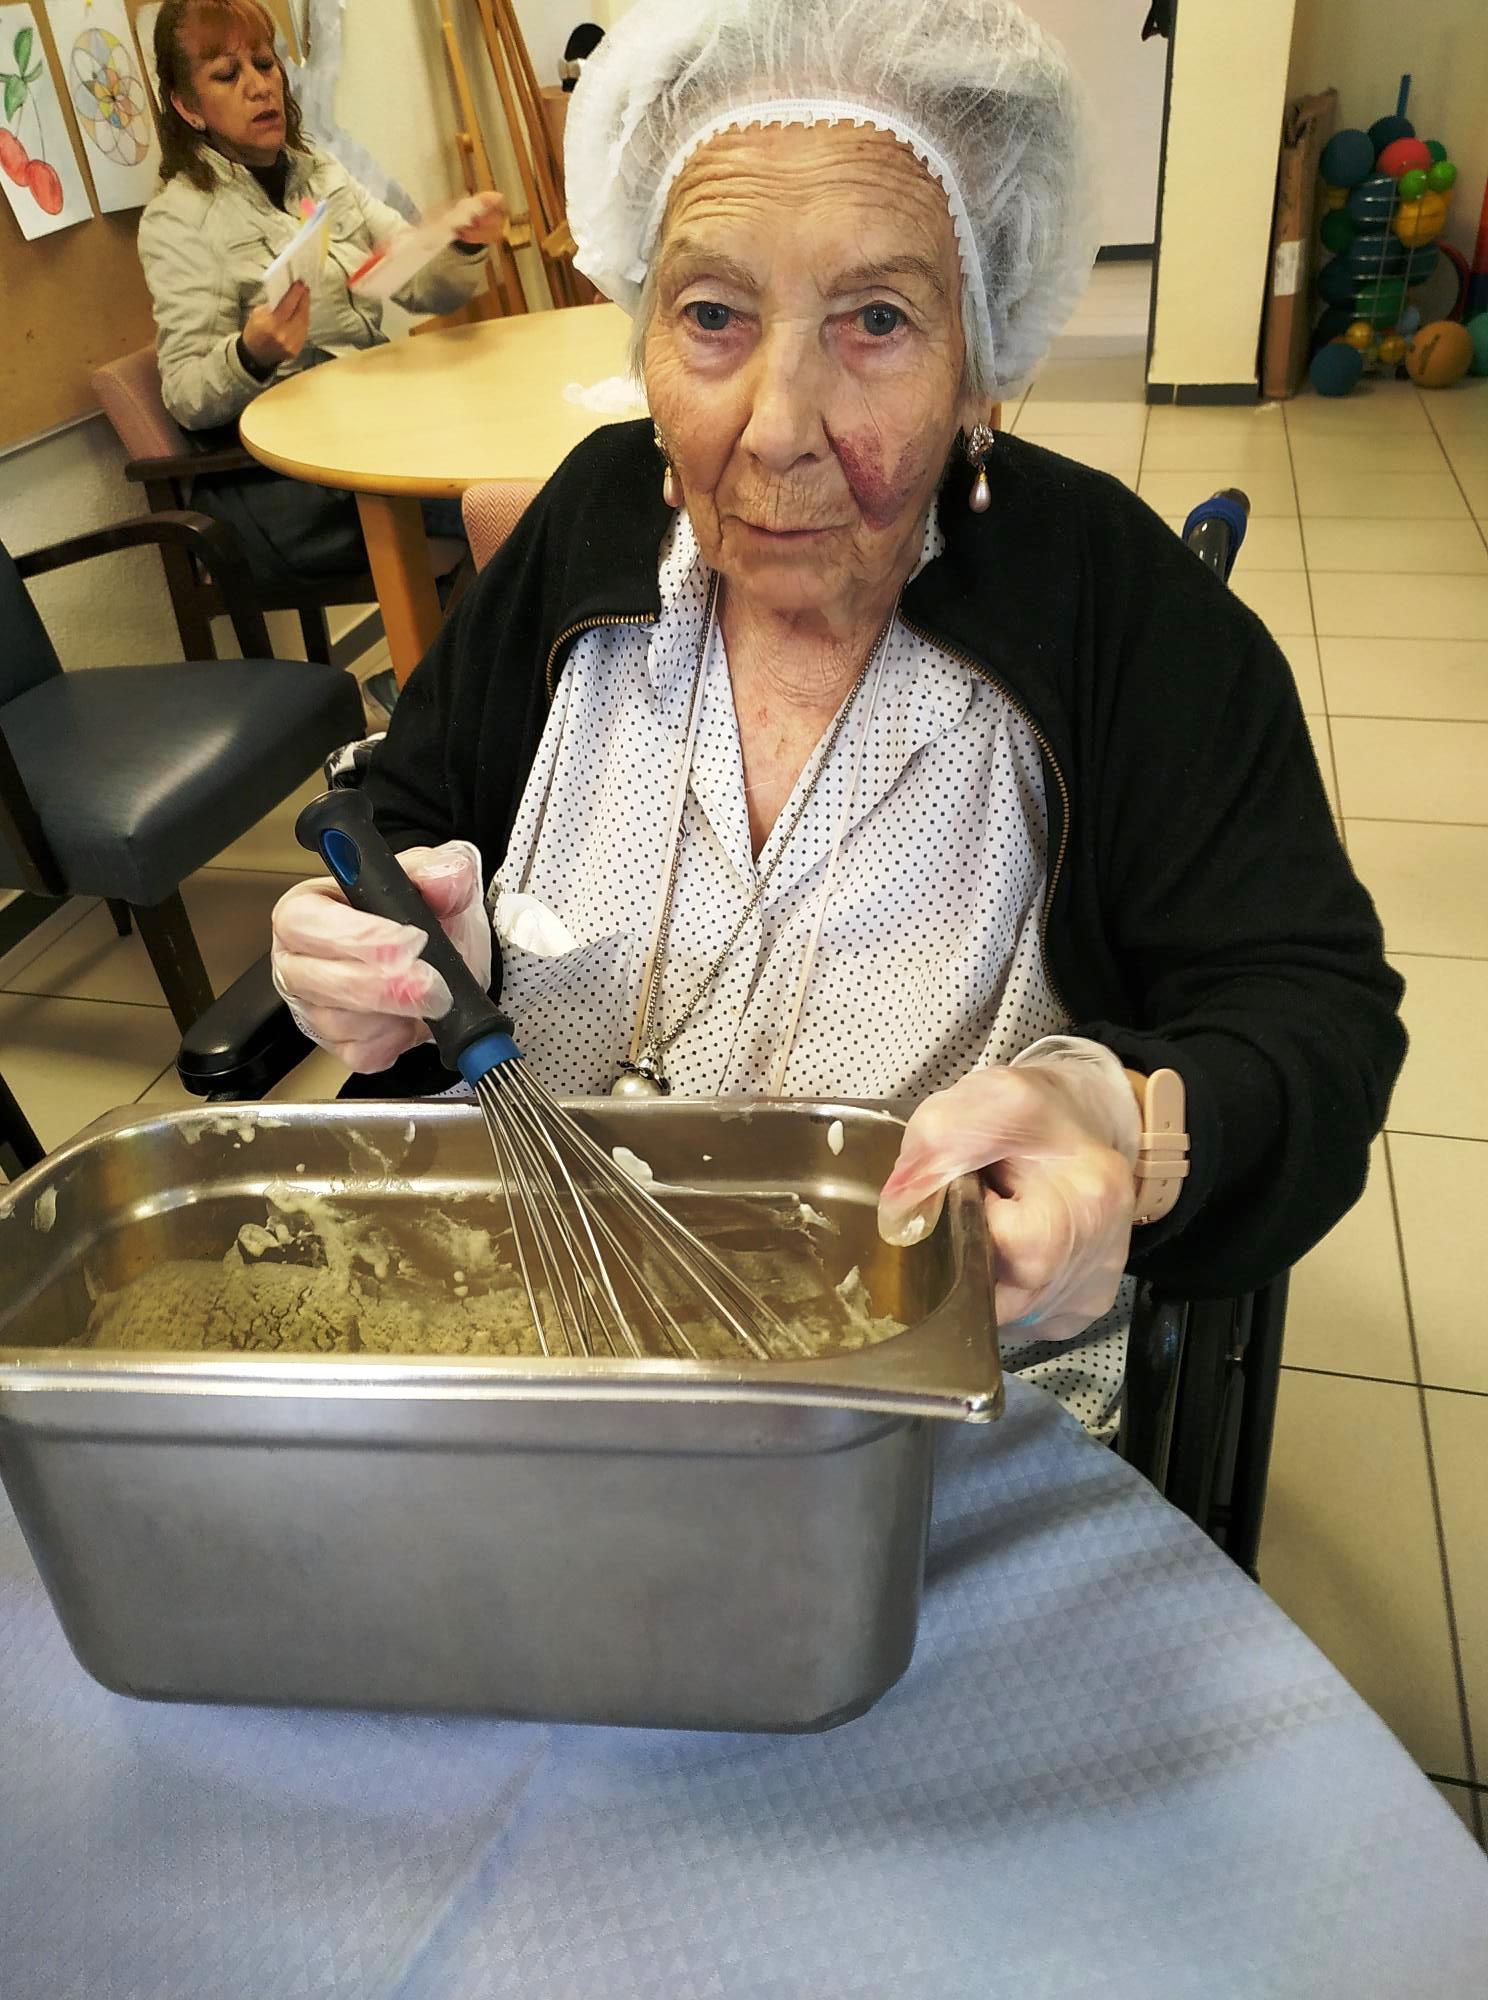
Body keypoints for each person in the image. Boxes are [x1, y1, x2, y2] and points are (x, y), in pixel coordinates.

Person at [268, 0, 1405, 1435]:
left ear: (984, 357)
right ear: (645, 327)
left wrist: (1137, 1127)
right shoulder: (586, 530)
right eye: (713, 316)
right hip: (531, 1351)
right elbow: (405, 811)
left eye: (876, 320)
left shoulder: (1119, 609)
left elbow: (1314, 1020)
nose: (777, 421)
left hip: (924, 1422)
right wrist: (379, 941)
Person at [137, 0, 507, 604]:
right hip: (298, 473)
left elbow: (414, 283)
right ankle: (456, 674)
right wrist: (251, 354)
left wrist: (458, 242)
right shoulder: (176, 220)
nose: (260, 86)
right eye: (228, 75)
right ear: (187, 106)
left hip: (378, 426)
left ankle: (452, 667)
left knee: (510, 461)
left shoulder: (322, 173)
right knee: (504, 504)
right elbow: (184, 393)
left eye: (265, 63)